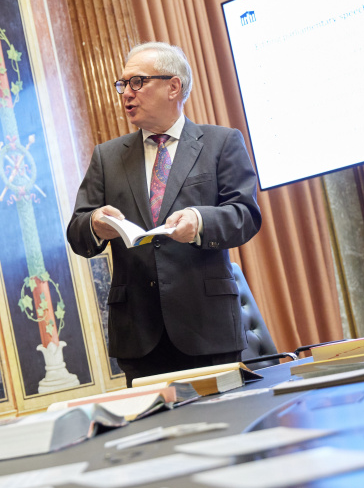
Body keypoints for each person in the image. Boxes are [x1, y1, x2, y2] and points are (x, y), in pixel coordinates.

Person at [67, 42, 262, 387]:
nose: (126, 93)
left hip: (208, 327)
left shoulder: (221, 143)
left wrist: (200, 222)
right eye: (122, 84)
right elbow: (78, 234)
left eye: (137, 82)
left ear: (173, 87)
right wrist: (96, 224)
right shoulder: (107, 157)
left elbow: (245, 214)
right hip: (139, 335)